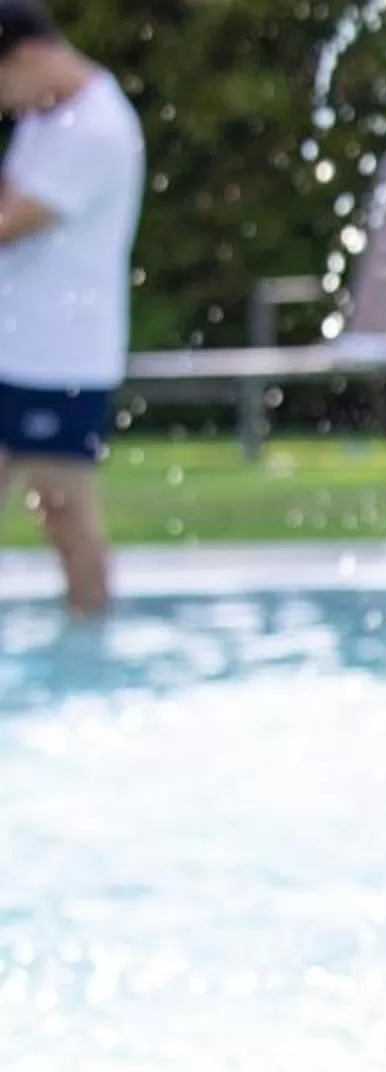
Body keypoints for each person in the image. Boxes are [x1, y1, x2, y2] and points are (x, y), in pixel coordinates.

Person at [0, 2, 142, 617]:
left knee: (66, 512)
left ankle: (90, 646)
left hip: (60, 354)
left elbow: (10, 222)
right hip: (17, 345)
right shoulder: (44, 117)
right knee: (61, 512)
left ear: (27, 57)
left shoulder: (97, 128)